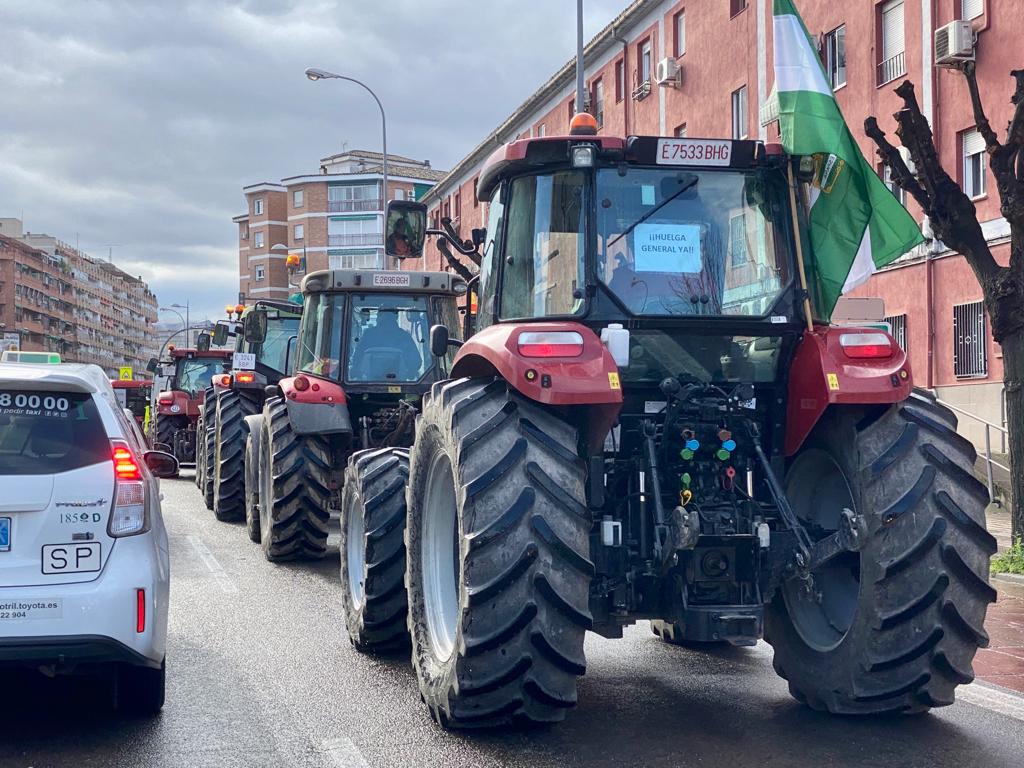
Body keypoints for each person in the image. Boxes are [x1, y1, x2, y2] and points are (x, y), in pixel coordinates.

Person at [350, 310, 422, 380]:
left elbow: (357, 359)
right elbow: (416, 362)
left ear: (378, 317)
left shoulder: (368, 335)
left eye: (378, 315)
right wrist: (410, 372)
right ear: (396, 317)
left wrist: (356, 371)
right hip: (400, 385)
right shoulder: (404, 336)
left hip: (368, 385)